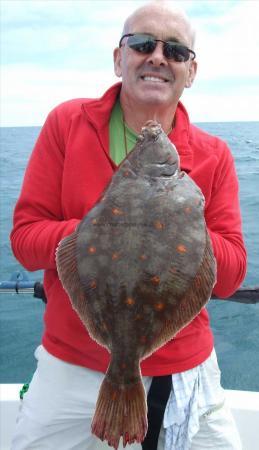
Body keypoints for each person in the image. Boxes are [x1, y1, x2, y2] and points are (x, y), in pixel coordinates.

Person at [10, 1, 247, 449]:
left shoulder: (215, 155)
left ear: (190, 72)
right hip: (71, 365)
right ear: (119, 59)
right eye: (142, 44)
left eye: (175, 51)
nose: (158, 56)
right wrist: (104, 227)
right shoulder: (67, 123)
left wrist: (181, 222)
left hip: (184, 368)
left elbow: (232, 274)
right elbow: (25, 241)